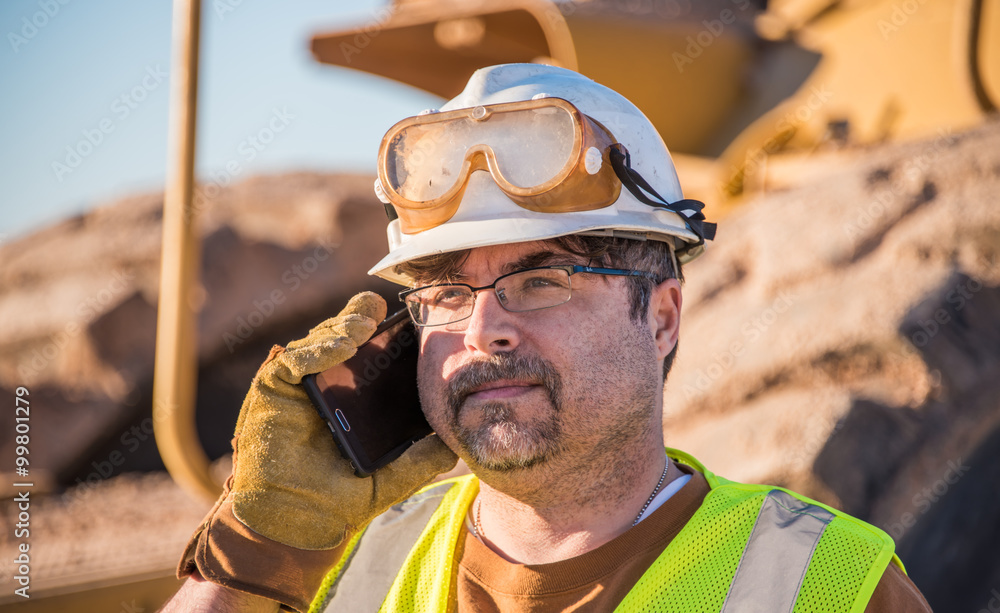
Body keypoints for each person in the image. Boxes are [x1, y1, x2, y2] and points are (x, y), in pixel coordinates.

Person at [162, 64, 931, 612]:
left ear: (662, 317)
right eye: (446, 293)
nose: (484, 328)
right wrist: (251, 552)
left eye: (541, 282)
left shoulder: (827, 586)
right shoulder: (336, 569)